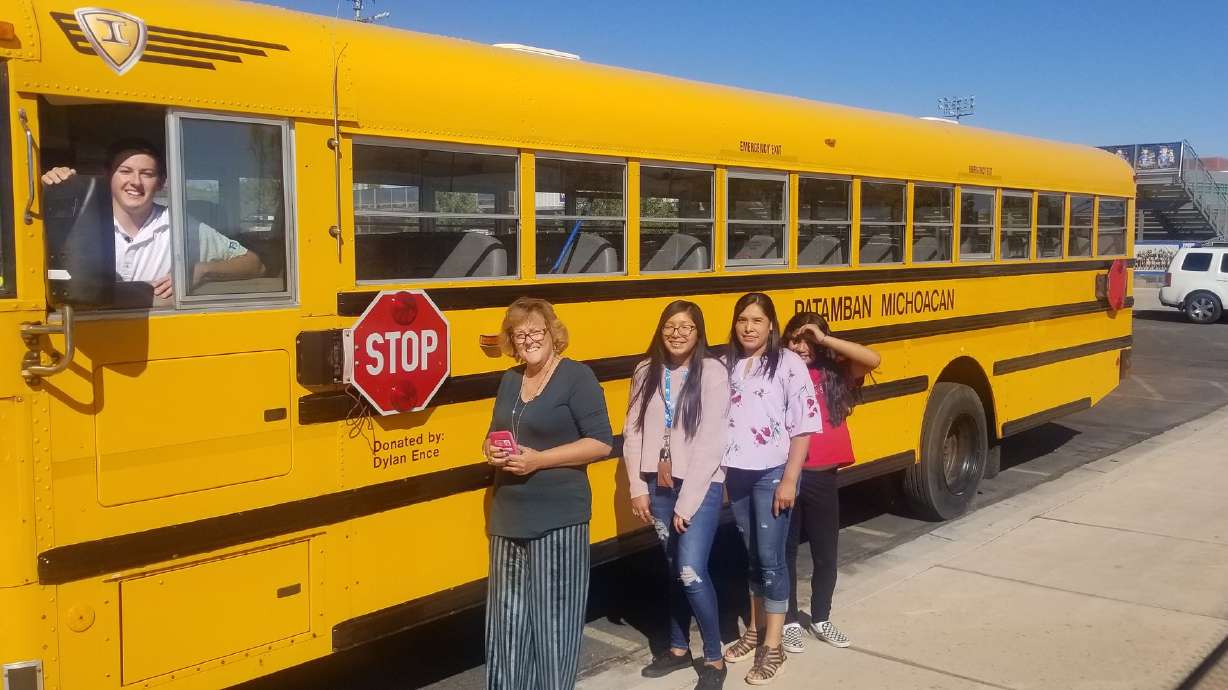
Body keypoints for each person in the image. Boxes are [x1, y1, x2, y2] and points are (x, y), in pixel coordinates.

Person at [482, 297, 613, 690]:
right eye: (520, 334)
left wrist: (539, 461)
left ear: (553, 334)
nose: (529, 340)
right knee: (506, 627)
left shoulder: (577, 377)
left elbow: (601, 442)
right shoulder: (510, 380)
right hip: (508, 517)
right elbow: (493, 433)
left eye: (536, 331)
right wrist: (490, 449)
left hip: (558, 518)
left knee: (554, 625)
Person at [623, 300, 730, 690]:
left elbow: (712, 441)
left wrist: (687, 504)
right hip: (660, 484)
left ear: (699, 333)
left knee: (690, 570)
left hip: (699, 486)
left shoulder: (713, 372)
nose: (677, 334)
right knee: (673, 568)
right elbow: (633, 431)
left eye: (686, 327)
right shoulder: (646, 371)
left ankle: (714, 658)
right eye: (670, 326)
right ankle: (678, 648)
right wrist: (638, 487)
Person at [721, 292, 820, 685]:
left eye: (757, 320)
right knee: (752, 555)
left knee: (771, 559)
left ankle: (773, 645)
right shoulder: (727, 363)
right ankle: (755, 628)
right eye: (742, 319)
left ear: (771, 326)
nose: (748, 327)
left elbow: (804, 424)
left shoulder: (788, 363)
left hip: (773, 473)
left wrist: (790, 479)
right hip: (737, 472)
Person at [41, 138, 262, 302]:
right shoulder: (82, 222)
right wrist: (56, 187)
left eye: (147, 174)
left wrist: (200, 271)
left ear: (161, 182)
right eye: (125, 171)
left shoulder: (182, 227)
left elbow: (254, 264)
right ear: (108, 176)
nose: (135, 182)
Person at [779, 311, 880, 654]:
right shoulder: (779, 373)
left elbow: (872, 359)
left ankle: (821, 617)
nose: (802, 346)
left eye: (809, 340)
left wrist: (824, 339)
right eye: (795, 339)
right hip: (786, 476)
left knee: (826, 553)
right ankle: (789, 621)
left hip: (822, 476)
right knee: (785, 552)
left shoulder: (833, 372)